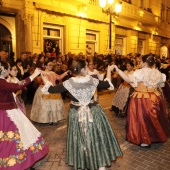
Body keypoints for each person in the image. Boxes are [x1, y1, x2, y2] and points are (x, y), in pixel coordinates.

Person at [41, 59, 123, 170]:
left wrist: (44, 78)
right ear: (84, 69)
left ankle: (83, 162)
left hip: (76, 114)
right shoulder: (91, 80)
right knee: (96, 137)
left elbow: (50, 89)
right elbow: (108, 84)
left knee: (80, 138)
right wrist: (108, 70)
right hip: (94, 112)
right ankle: (101, 164)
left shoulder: (69, 82)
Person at [113, 54, 170, 147]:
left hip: (141, 98)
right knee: (153, 118)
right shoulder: (157, 73)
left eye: (141, 61)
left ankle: (145, 140)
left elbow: (128, 79)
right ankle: (154, 136)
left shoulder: (140, 72)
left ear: (144, 62)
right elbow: (161, 85)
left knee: (141, 119)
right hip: (155, 97)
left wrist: (118, 70)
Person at [0, 60, 48, 170]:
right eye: (8, 68)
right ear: (3, 70)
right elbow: (18, 86)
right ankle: (15, 163)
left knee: (20, 135)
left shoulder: (3, 81)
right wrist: (34, 74)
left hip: (7, 111)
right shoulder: (1, 82)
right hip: (6, 114)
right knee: (14, 138)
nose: (8, 70)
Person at [30, 60, 68, 125]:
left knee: (53, 106)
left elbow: (59, 77)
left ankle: (53, 119)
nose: (51, 66)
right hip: (44, 90)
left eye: (52, 65)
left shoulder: (53, 72)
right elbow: (44, 81)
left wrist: (65, 73)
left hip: (53, 89)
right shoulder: (42, 72)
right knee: (46, 106)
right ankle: (47, 119)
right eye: (49, 65)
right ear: (45, 66)